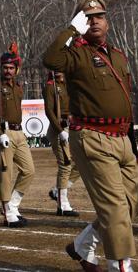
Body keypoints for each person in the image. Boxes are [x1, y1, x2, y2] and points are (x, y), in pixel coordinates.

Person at [43, 0, 138, 272]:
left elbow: (125, 101)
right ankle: (120, 266)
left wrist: (132, 144)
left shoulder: (119, 56)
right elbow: (51, 59)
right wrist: (72, 29)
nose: (94, 21)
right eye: (87, 17)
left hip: (122, 138)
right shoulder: (75, 54)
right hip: (93, 137)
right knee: (115, 209)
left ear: (107, 22)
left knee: (132, 204)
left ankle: (83, 245)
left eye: (99, 16)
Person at [0, 43, 35, 228]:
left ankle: (12, 205)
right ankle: (7, 211)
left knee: (29, 170)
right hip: (3, 133)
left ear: (16, 69)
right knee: (6, 173)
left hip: (19, 132)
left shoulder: (18, 88)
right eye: (5, 67)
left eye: (11, 67)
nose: (8, 70)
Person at [43, 71, 81, 216]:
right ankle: (62, 204)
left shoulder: (68, 84)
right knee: (65, 164)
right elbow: (49, 111)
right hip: (58, 127)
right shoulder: (51, 87)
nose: (59, 70)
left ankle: (56, 192)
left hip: (71, 126)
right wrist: (59, 131)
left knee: (80, 163)